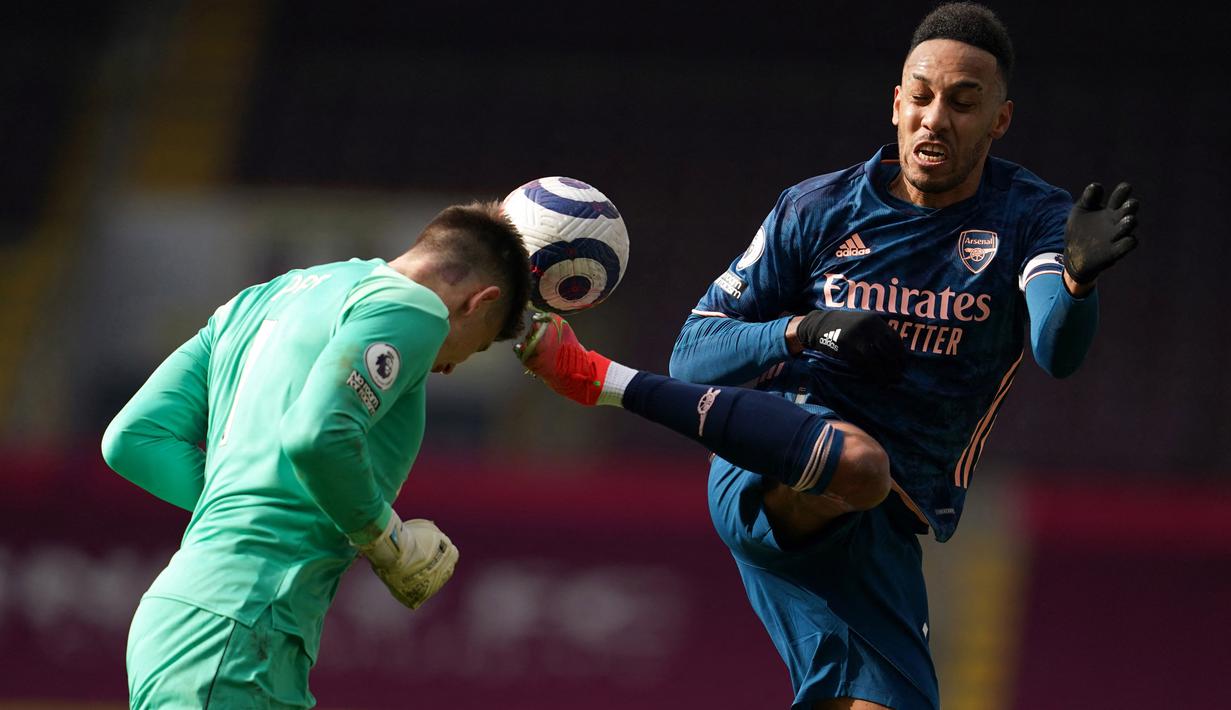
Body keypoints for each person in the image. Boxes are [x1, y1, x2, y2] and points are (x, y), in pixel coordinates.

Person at [516, 2, 1140, 708]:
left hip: (882, 518)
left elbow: (1056, 351)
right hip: (776, 462)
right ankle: (604, 379)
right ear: (896, 104)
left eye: (964, 103)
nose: (935, 119)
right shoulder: (817, 210)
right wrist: (804, 330)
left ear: (999, 119)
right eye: (922, 97)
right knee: (860, 465)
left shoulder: (1028, 217)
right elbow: (692, 354)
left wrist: (1077, 283)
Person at [101, 200, 531, 708]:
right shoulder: (415, 307)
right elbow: (317, 435)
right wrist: (386, 539)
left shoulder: (259, 299)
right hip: (245, 624)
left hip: (190, 613)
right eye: (476, 347)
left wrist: (249, 510)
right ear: (478, 302)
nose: (451, 366)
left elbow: (135, 438)